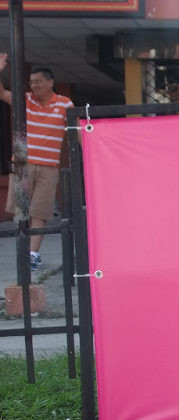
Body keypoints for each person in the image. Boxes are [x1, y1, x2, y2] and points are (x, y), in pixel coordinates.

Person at [0, 52, 73, 270]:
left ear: (51, 82)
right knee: (21, 211)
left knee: (40, 211)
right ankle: (24, 251)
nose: (34, 86)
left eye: (39, 81)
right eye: (32, 82)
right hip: (22, 162)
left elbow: (77, 129)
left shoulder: (65, 104)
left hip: (49, 166)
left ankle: (33, 254)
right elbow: (1, 93)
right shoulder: (26, 100)